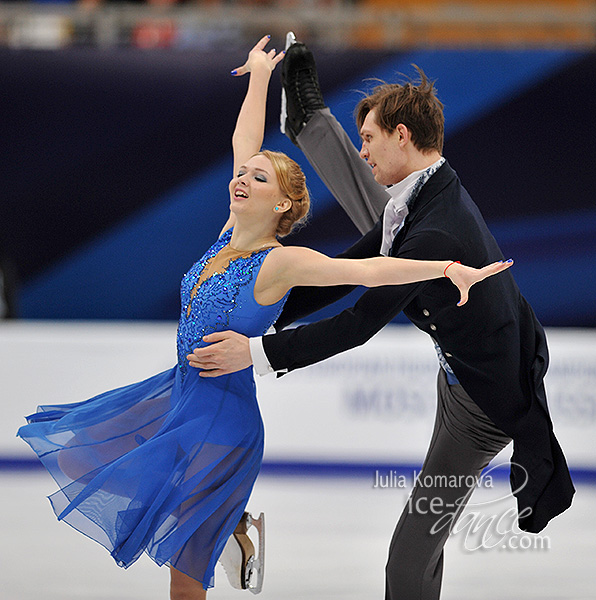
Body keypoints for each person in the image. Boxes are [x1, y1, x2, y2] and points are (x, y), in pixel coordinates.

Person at [16, 36, 510, 600]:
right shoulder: (225, 237)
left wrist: (449, 268)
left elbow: (372, 271)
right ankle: (241, 530)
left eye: (257, 178)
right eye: (242, 174)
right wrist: (257, 77)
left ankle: (234, 530)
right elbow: (243, 140)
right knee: (164, 529)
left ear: (280, 205)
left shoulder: (280, 262)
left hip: (220, 427)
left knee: (184, 579)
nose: (242, 177)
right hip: (176, 403)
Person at [187, 38, 575, 600]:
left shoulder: (435, 227)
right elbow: (349, 270)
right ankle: (307, 120)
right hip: (460, 375)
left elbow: (359, 323)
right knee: (424, 548)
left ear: (402, 136)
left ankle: (308, 121)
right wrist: (264, 311)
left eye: (369, 139)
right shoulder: (420, 193)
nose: (364, 152)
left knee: (411, 550)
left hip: (482, 405)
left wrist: (255, 352)